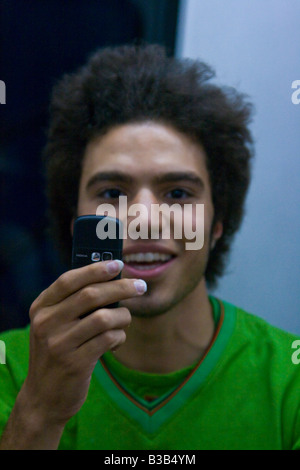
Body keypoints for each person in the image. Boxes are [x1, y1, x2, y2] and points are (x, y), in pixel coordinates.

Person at [0, 44, 299, 450]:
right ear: (75, 225)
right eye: (112, 191)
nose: (143, 218)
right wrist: (39, 412)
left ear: (216, 225)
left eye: (177, 192)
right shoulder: (10, 367)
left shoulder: (290, 381)